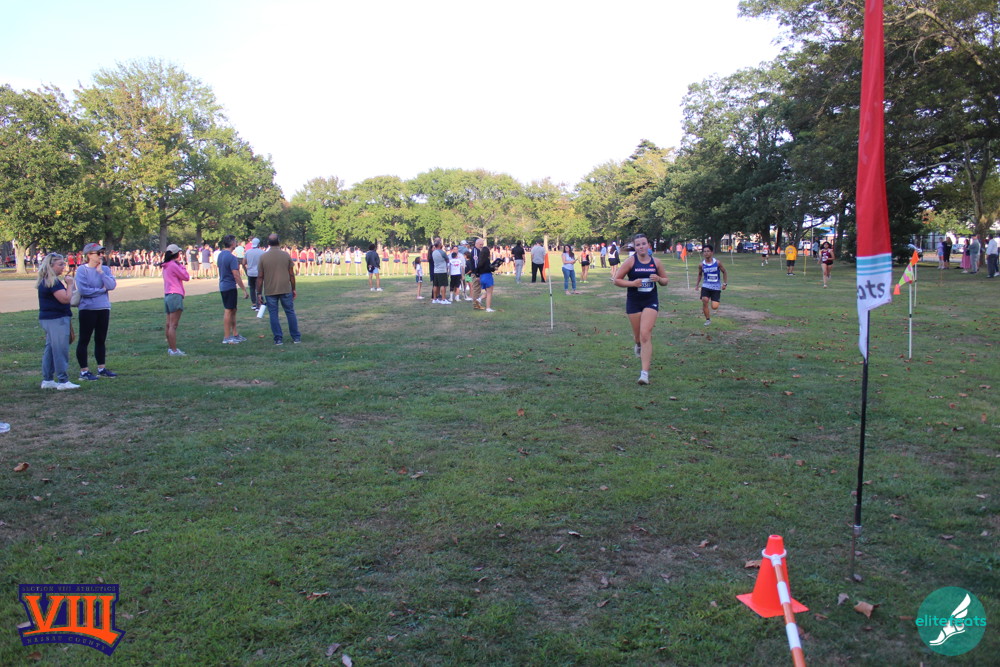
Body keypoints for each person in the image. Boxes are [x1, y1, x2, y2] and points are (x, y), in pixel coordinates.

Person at [613, 233, 668, 385]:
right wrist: (632, 284)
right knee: (638, 337)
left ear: (648, 245)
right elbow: (617, 280)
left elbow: (665, 281)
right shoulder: (630, 262)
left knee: (645, 334)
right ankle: (637, 345)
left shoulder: (656, 262)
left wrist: (659, 279)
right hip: (634, 302)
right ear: (635, 247)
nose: (641, 246)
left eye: (643, 243)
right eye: (638, 245)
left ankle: (644, 374)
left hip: (650, 301)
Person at [75, 243, 118, 381]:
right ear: (89, 255)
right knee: (84, 339)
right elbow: (84, 291)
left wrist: (101, 272)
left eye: (102, 253)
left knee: (100, 339)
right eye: (98, 253)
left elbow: (111, 285)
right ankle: (84, 371)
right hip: (87, 309)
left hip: (103, 307)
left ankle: (101, 369)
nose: (101, 256)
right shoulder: (82, 270)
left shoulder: (104, 269)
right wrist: (101, 290)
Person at [37, 253, 79, 390]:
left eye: (64, 264)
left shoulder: (46, 280)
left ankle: (48, 379)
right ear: (50, 266)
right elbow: (66, 299)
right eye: (60, 264)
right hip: (56, 319)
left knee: (50, 349)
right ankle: (63, 380)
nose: (63, 267)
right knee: (60, 349)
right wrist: (70, 284)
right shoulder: (53, 282)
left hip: (49, 318)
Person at [257, 234, 300, 345]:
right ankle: (296, 337)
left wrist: (258, 293)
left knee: (273, 314)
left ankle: (278, 338)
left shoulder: (263, 257)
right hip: (285, 288)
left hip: (270, 290)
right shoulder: (285, 255)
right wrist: (293, 288)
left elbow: (260, 277)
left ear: (268, 243)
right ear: (279, 242)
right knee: (290, 312)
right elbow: (291, 274)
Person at [217, 234, 249, 344]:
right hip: (229, 286)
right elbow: (236, 275)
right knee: (228, 310)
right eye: (235, 241)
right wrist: (244, 289)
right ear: (232, 243)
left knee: (233, 310)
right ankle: (227, 337)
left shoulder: (221, 255)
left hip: (223, 285)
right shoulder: (232, 258)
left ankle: (235, 334)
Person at [160, 244, 190, 356]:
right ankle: (174, 350)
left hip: (168, 294)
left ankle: (170, 348)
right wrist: (181, 266)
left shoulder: (165, 265)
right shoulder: (173, 265)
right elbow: (186, 277)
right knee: (173, 325)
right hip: (175, 294)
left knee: (168, 324)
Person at [695, 244, 728, 326]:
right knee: (704, 300)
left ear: (712, 252)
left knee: (714, 307)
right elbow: (700, 274)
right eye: (704, 251)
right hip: (706, 286)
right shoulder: (701, 264)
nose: (706, 253)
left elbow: (724, 272)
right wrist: (697, 285)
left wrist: (725, 283)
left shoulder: (717, 263)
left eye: (708, 251)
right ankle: (708, 320)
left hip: (716, 287)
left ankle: (714, 301)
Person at [473, 238, 496, 312]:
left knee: (488, 291)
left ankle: (479, 299)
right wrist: (493, 268)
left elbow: (477, 269)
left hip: (482, 277)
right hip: (487, 276)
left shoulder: (480, 260)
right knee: (489, 293)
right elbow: (488, 269)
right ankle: (488, 307)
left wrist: (477, 276)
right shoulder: (487, 260)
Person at [244, 238, 265, 309]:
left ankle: (254, 304)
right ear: (258, 244)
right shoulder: (262, 252)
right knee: (259, 288)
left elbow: (243, 263)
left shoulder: (248, 252)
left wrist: (247, 269)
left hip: (250, 273)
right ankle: (259, 303)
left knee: (252, 288)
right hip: (259, 273)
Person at [430, 238, 450, 304]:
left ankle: (435, 299)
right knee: (443, 285)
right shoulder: (442, 252)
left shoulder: (433, 252)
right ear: (439, 245)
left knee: (435, 285)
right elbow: (447, 259)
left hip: (436, 271)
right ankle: (443, 299)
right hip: (442, 270)